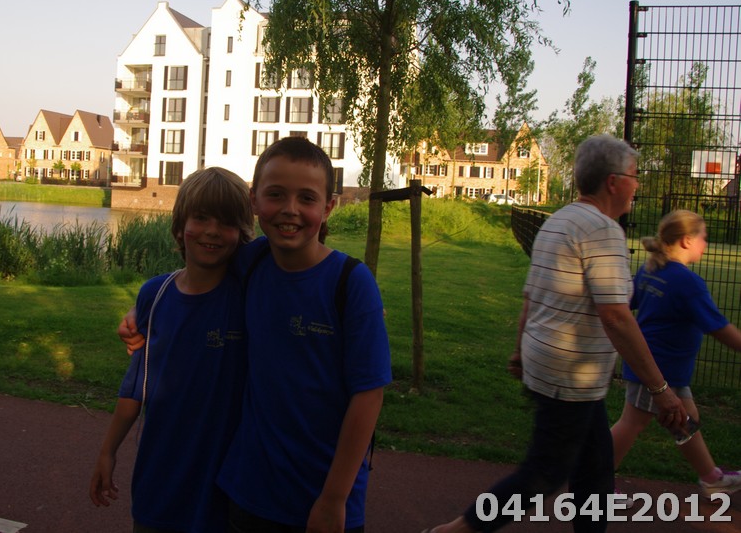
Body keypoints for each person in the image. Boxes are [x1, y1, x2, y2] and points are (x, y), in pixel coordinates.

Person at [120, 137, 392, 532]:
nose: (290, 209)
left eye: (307, 198)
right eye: (276, 194)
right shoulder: (252, 262)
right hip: (248, 493)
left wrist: (334, 498)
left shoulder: (351, 283)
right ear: (254, 200)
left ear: (329, 207)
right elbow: (196, 272)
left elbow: (368, 396)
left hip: (324, 496)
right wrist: (141, 309)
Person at [427, 134, 686, 533]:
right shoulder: (603, 231)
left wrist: (519, 350)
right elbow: (617, 317)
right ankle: (454, 531)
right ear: (613, 182)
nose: (637, 185)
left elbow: (531, 297)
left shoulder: (558, 221)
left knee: (595, 468)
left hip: (559, 367)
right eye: (635, 176)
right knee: (544, 473)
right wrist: (660, 389)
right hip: (569, 374)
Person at [89, 167, 255, 532]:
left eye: (227, 222)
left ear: (242, 233)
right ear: (180, 227)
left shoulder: (251, 294)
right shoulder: (155, 294)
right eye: (201, 218)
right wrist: (107, 450)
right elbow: (137, 385)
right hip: (160, 476)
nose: (212, 231)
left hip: (225, 485)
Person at [611, 209, 741, 497]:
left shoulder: (652, 269)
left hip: (668, 369)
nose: (705, 243)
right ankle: (594, 483)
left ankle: (711, 478)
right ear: (686, 240)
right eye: (703, 237)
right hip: (656, 370)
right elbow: (718, 326)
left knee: (686, 420)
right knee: (632, 422)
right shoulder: (687, 282)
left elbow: (630, 300)